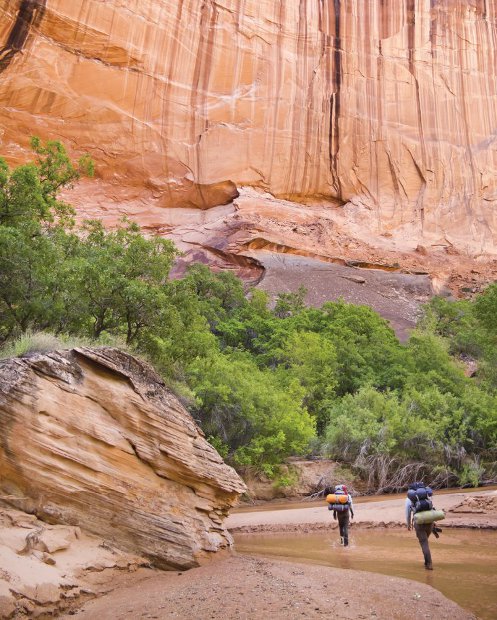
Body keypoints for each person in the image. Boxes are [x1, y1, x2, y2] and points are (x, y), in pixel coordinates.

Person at [405, 484, 441, 570]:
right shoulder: (427, 495)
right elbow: (431, 508)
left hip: (419, 523)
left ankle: (429, 564)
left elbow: (408, 512)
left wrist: (408, 524)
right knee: (425, 541)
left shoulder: (409, 498)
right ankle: (426, 562)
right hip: (430, 522)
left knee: (424, 543)